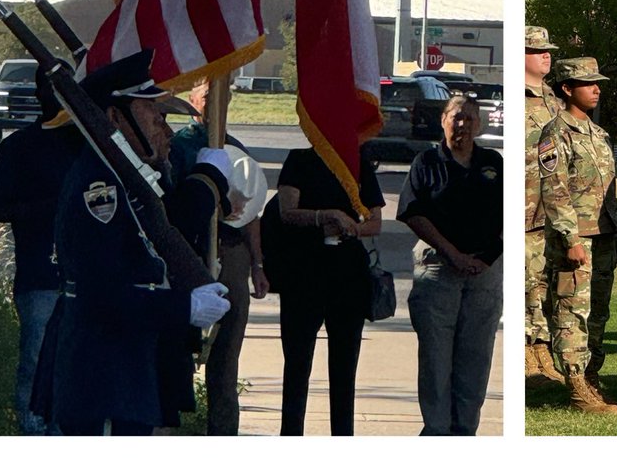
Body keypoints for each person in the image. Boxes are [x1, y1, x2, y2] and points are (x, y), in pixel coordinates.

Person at [43, 51, 232, 435]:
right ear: (115, 118)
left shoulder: (124, 179)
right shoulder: (101, 188)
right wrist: (183, 307)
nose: (164, 129)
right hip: (103, 375)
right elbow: (103, 293)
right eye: (154, 115)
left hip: (124, 373)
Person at [169, 81, 270, 436]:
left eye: (222, 97)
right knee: (179, 350)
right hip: (193, 256)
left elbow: (252, 212)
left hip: (232, 256)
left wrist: (257, 264)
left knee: (226, 359)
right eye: (208, 97)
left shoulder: (236, 149)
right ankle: (171, 429)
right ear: (193, 101)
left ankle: (223, 434)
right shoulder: (180, 146)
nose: (215, 104)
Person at [399, 95, 504, 435]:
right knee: (436, 359)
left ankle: (465, 431)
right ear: (443, 120)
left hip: (484, 273)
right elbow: (413, 212)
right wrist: (452, 254)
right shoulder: (427, 162)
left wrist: (486, 257)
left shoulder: (493, 162)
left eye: (471, 118)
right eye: (457, 117)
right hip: (439, 271)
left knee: (475, 357)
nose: (464, 124)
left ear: (480, 124)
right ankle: (436, 430)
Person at [0, 70, 83, 433]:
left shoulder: (88, 145)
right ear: (38, 92)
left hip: (86, 278)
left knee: (78, 366)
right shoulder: (17, 147)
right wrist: (50, 206)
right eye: (50, 87)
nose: (56, 96)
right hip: (38, 276)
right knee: (35, 360)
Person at [274, 141, 384, 435]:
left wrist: (351, 227)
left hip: (348, 275)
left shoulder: (357, 163)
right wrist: (324, 216)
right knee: (297, 365)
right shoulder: (299, 159)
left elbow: (376, 222)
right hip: (303, 273)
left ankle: (342, 437)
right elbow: (287, 211)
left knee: (344, 369)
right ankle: (291, 434)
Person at [538, 56, 617, 415]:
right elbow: (554, 190)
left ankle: (592, 378)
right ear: (566, 89)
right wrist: (570, 238)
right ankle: (575, 385)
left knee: (598, 312)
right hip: (577, 240)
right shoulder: (556, 132)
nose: (596, 89)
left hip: (603, 235)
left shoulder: (596, 133)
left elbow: (607, 190)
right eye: (588, 83)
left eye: (597, 83)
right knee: (572, 311)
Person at [524, 26, 563, 388]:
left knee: (546, 281)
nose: (546, 55)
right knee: (528, 281)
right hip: (525, 208)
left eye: (548, 50)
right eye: (537, 51)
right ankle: (528, 356)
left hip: (551, 208)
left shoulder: (553, 98)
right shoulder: (516, 98)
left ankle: (543, 353)